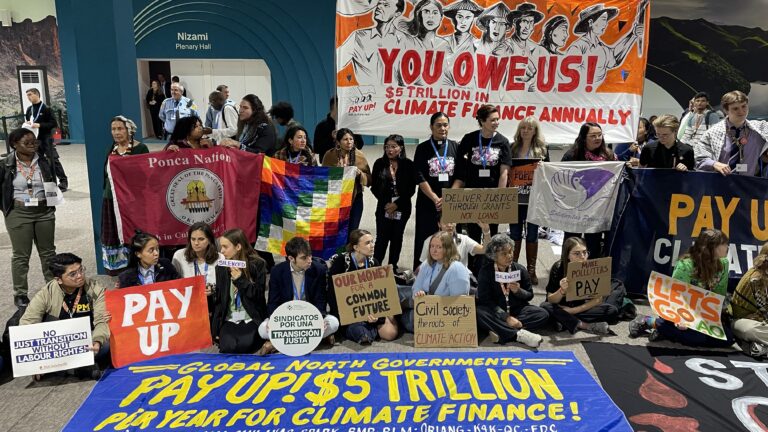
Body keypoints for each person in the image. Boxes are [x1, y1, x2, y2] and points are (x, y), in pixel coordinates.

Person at [629, 229, 735, 348]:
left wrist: (716, 318)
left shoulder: (724, 263)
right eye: (724, 244)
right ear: (712, 248)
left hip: (702, 311)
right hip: (680, 309)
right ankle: (649, 321)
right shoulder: (685, 265)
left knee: (728, 339)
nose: (727, 247)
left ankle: (666, 332)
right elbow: (675, 296)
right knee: (696, 339)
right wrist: (680, 319)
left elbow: (718, 295)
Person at [20, 253, 110, 379]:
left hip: (86, 339)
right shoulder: (46, 293)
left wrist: (97, 341)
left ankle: (64, 368)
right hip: (58, 343)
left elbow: (101, 320)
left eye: (81, 270)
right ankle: (77, 367)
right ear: (59, 279)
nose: (80, 276)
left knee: (105, 346)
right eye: (73, 274)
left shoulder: (95, 288)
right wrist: (36, 361)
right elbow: (27, 323)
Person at [1, 128, 57, 308]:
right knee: (21, 255)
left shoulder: (44, 161)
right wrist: (7, 211)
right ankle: (20, 293)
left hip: (44, 211)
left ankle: (53, 288)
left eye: (35, 142)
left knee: (48, 253)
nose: (32, 146)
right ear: (14, 144)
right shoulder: (5, 164)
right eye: (27, 143)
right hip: (18, 213)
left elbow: (52, 183)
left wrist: (52, 206)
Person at [453, 104, 512, 271]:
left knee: (491, 235)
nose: (496, 123)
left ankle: (489, 270)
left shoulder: (503, 142)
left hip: (491, 197)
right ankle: (470, 269)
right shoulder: (469, 139)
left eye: (497, 119)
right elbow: (461, 169)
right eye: (493, 120)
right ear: (482, 121)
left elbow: (504, 173)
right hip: (472, 195)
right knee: (471, 234)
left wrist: (499, 197)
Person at [257, 236, 339, 355]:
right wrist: (273, 320)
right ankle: (315, 339)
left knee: (333, 323)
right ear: (291, 258)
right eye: (304, 258)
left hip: (309, 317)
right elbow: (273, 301)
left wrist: (319, 318)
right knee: (262, 329)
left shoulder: (319, 269)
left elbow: (320, 299)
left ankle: (277, 344)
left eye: (310, 255)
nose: (309, 260)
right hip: (287, 317)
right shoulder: (277, 271)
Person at [326, 229, 398, 343]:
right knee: (358, 330)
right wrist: (347, 315)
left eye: (372, 242)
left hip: (370, 309)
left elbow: (380, 292)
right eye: (367, 243)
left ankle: (366, 330)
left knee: (390, 334)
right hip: (348, 312)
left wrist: (376, 315)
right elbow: (331, 294)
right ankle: (361, 331)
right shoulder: (342, 262)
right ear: (356, 247)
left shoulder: (374, 262)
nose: (372, 246)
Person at [476, 234, 549, 347]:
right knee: (479, 312)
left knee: (542, 314)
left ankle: (500, 330)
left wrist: (518, 291)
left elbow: (530, 295)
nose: (509, 256)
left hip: (517, 310)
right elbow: (485, 300)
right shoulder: (486, 272)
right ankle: (518, 334)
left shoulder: (520, 269)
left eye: (510, 251)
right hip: (497, 311)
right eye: (504, 254)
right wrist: (506, 317)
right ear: (494, 256)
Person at [541, 237, 623, 336]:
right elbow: (550, 300)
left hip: (577, 307)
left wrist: (572, 311)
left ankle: (563, 320)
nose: (582, 256)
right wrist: (561, 291)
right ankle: (583, 325)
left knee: (612, 311)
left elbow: (598, 300)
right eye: (577, 253)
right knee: (545, 307)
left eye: (585, 252)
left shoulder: (592, 267)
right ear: (567, 255)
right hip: (560, 305)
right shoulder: (558, 267)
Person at [101, 116, 148, 275]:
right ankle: (118, 270)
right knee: (114, 232)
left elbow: (143, 177)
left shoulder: (140, 149)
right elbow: (105, 175)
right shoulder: (111, 149)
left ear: (129, 130)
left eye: (120, 128)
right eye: (113, 129)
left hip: (130, 201)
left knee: (131, 233)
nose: (116, 132)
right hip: (110, 199)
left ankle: (135, 268)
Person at [561, 122, 616, 257]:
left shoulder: (608, 155)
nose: (598, 138)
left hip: (597, 209)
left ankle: (590, 274)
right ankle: (567, 272)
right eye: (593, 136)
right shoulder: (572, 155)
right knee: (572, 241)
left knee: (593, 243)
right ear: (584, 138)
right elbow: (561, 178)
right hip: (575, 209)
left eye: (599, 135)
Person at [412, 112, 458, 269]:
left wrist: (448, 197)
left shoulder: (455, 147)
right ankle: (421, 272)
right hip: (428, 202)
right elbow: (418, 175)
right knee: (425, 238)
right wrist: (435, 198)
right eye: (438, 125)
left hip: (450, 203)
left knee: (448, 239)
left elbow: (461, 175)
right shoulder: (423, 148)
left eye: (445, 125)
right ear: (431, 127)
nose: (442, 128)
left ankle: (447, 270)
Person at [566, 2, 646, 90]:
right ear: (591, 22)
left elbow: (615, 58)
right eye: (603, 19)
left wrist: (633, 35)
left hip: (598, 99)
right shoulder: (578, 47)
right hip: (581, 98)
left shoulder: (601, 47)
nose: (606, 24)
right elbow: (569, 76)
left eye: (606, 20)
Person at [211, 228, 268, 354]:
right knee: (228, 347)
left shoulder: (257, 264)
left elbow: (258, 296)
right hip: (230, 318)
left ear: (238, 247)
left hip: (251, 317)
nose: (221, 251)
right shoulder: (221, 267)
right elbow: (220, 301)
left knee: (245, 346)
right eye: (221, 247)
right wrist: (215, 328)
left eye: (225, 247)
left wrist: (241, 280)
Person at [403, 231, 471, 333]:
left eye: (439, 247)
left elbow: (459, 304)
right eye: (432, 246)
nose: (434, 250)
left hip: (442, 316)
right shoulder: (427, 263)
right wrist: (418, 293)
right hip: (425, 307)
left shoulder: (456, 268)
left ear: (448, 249)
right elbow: (416, 287)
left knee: (403, 316)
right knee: (396, 293)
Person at [508, 116, 549, 284]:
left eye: (529, 128)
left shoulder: (543, 150)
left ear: (535, 131)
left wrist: (542, 168)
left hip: (534, 200)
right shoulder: (512, 148)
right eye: (523, 127)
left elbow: (549, 174)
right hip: (515, 199)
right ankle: (514, 269)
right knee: (515, 234)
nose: (525, 131)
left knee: (532, 235)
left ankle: (531, 271)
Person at [371, 134, 419, 272]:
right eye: (387, 147)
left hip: (402, 207)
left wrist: (396, 205)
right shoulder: (379, 163)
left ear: (401, 148)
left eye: (393, 147)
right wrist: (387, 204)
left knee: (397, 237)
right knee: (382, 238)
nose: (389, 150)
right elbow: (374, 187)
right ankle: (376, 266)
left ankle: (393, 266)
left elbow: (411, 189)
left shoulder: (408, 165)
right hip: (384, 207)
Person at [694, 90, 768, 176]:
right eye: (735, 108)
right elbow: (699, 158)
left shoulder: (760, 129)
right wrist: (714, 164)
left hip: (748, 185)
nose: (741, 111)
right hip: (720, 184)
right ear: (726, 110)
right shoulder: (712, 133)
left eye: (744, 106)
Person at [337, 0, 412, 85]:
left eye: (386, 5)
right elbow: (338, 62)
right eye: (379, 4)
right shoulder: (359, 36)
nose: (379, 7)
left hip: (394, 96)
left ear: (397, 13)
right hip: (366, 96)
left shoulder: (404, 40)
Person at [322, 128, 372, 233]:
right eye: (345, 139)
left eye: (351, 139)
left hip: (355, 199)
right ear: (338, 142)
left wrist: (360, 174)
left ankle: (350, 250)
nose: (349, 142)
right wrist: (337, 172)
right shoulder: (329, 155)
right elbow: (323, 177)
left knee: (352, 231)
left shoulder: (359, 155)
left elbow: (369, 179)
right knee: (336, 232)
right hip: (335, 199)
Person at [171, 222, 223, 311]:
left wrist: (213, 290)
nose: (196, 243)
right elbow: (173, 283)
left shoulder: (220, 257)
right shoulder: (179, 255)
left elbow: (223, 285)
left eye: (201, 239)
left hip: (212, 304)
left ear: (209, 240)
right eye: (193, 239)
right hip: (186, 303)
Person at [24, 88, 67, 191]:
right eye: (27, 95)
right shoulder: (29, 109)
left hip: (46, 138)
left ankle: (63, 181)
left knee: (54, 160)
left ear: (36, 94)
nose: (28, 97)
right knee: (41, 161)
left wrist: (39, 125)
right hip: (35, 140)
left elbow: (53, 124)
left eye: (30, 95)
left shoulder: (46, 108)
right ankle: (49, 182)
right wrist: (28, 124)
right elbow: (28, 121)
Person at [730, 243, 768, 358]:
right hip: (742, 320)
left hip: (761, 320)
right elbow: (764, 311)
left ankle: (762, 347)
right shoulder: (756, 279)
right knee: (752, 330)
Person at [419, 215, 489, 269]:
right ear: (439, 224)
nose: (449, 225)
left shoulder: (464, 239)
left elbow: (485, 250)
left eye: (452, 222)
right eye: (446, 222)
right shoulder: (429, 241)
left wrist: (486, 232)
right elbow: (424, 265)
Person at [313, 96, 364, 163]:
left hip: (349, 163)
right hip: (329, 164)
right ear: (335, 107)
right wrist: (331, 139)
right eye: (343, 106)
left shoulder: (351, 124)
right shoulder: (321, 126)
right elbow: (316, 149)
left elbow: (360, 145)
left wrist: (350, 137)